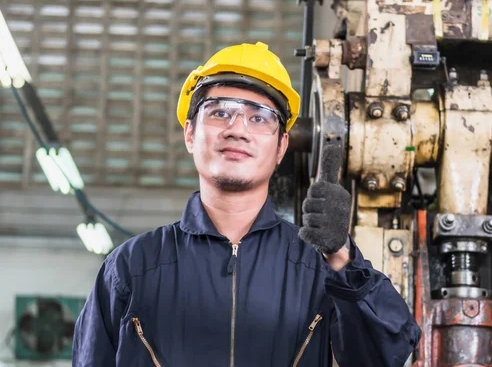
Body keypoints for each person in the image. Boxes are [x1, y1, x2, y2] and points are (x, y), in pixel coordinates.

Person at [72, 42, 421, 367]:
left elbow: (386, 355)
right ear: (190, 133)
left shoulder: (319, 270)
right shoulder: (132, 268)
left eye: (259, 117)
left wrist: (342, 256)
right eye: (220, 112)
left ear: (282, 147)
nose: (237, 129)